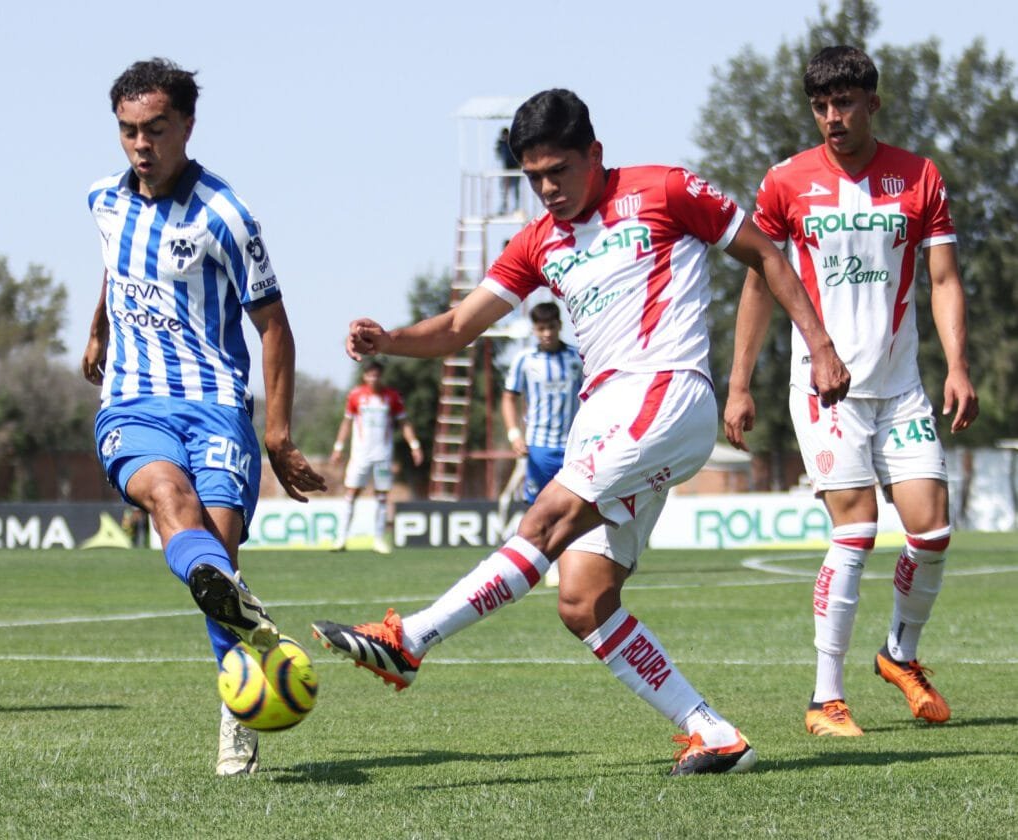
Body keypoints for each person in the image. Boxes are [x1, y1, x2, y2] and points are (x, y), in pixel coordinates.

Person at [313, 88, 850, 775]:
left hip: (665, 390)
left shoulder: (663, 188)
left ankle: (409, 639)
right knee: (581, 600)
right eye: (533, 176)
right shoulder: (537, 241)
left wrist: (820, 346)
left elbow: (766, 255)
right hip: (604, 415)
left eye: (558, 171)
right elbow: (455, 328)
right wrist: (388, 339)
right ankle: (713, 733)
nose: (546, 189)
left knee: (544, 517)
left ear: (594, 155)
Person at [81, 58, 326, 776]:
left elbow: (274, 326)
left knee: (216, 558)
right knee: (169, 499)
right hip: (133, 400)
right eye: (128, 131)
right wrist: (98, 327)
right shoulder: (101, 198)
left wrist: (276, 435)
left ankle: (237, 698)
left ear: (187, 125)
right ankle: (246, 680)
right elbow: (113, 261)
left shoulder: (226, 215)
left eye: (155, 129)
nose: (140, 145)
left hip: (217, 409)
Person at [724, 46, 978, 737]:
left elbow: (944, 280)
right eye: (819, 107)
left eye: (843, 104)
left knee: (930, 531)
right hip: (822, 387)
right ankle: (823, 698)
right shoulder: (784, 182)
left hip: (900, 389)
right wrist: (739, 383)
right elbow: (757, 283)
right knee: (857, 531)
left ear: (871, 101)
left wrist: (956, 366)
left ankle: (898, 655)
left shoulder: (918, 176)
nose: (831, 119)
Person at [501, 301, 583, 585]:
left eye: (550, 327)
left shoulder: (577, 357)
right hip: (539, 446)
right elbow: (509, 396)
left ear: (559, 325)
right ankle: (543, 564)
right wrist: (514, 433)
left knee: (577, 507)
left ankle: (571, 564)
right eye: (541, 328)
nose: (546, 333)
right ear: (534, 330)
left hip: (574, 446)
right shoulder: (525, 360)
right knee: (539, 508)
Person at [329, 360, 424, 553]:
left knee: (382, 495)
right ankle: (341, 538)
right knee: (351, 493)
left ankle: (379, 539)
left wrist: (415, 445)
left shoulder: (391, 397)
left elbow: (404, 423)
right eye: (370, 374)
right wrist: (338, 447)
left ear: (381, 376)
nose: (373, 378)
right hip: (360, 454)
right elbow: (346, 423)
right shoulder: (356, 395)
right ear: (365, 376)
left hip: (382, 454)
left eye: (376, 374)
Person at [496, 127, 521, 214]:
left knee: (515, 189)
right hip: (506, 170)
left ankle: (516, 207)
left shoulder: (513, 143)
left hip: (515, 170)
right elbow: (499, 155)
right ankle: (504, 207)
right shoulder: (501, 144)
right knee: (504, 190)